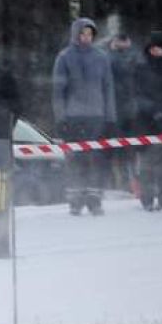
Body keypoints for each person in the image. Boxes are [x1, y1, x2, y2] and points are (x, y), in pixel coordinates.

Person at [52, 17, 116, 215]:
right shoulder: (64, 57)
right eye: (83, 33)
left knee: (96, 159)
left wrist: (111, 118)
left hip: (96, 117)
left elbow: (108, 88)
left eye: (90, 34)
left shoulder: (101, 57)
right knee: (75, 159)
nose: (86, 37)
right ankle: (75, 200)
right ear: (75, 34)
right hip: (73, 117)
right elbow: (57, 91)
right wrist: (60, 118)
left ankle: (95, 199)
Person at [130, 33, 162, 210]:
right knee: (145, 164)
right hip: (145, 121)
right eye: (152, 48)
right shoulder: (140, 68)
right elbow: (136, 93)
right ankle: (147, 199)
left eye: (158, 47)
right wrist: (151, 109)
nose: (155, 51)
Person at [103, 30, 139, 188]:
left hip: (131, 110)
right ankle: (118, 184)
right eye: (119, 40)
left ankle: (130, 183)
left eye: (124, 40)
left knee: (131, 149)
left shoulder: (135, 57)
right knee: (115, 149)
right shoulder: (107, 58)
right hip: (115, 110)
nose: (122, 43)